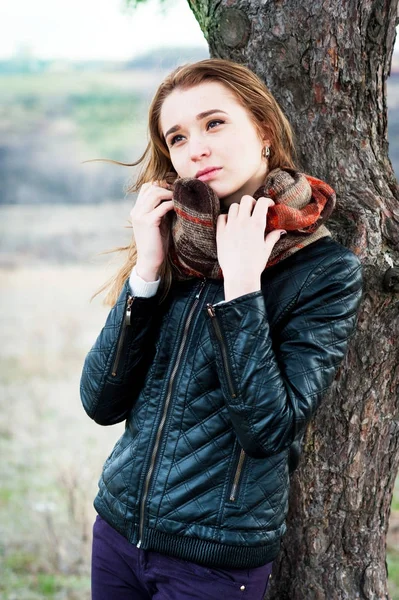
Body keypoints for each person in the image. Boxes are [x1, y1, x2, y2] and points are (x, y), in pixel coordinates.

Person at [80, 58, 363, 599]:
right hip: (117, 534)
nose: (196, 148)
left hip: (213, 563)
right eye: (178, 137)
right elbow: (100, 401)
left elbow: (268, 432)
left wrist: (242, 288)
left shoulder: (323, 272)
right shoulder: (176, 249)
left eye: (214, 123)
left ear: (262, 130)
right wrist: (146, 270)